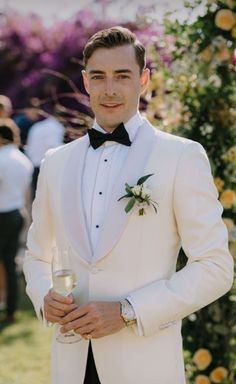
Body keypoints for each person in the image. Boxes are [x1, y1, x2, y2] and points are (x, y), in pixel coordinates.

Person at [23, 27, 233, 384]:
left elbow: (215, 267)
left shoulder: (181, 156)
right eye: (98, 77)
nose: (109, 89)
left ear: (144, 80)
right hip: (71, 363)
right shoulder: (55, 162)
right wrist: (44, 295)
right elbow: (36, 255)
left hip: (145, 364)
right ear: (85, 82)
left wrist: (128, 311)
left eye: (122, 76)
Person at [0, 120, 33, 323]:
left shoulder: (1, 159)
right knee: (11, 264)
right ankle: (11, 309)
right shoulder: (24, 160)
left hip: (2, 214)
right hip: (18, 213)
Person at [25, 110, 64, 199]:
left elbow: (29, 150)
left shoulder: (36, 127)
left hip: (35, 167)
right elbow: (55, 147)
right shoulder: (56, 126)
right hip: (48, 167)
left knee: (36, 200)